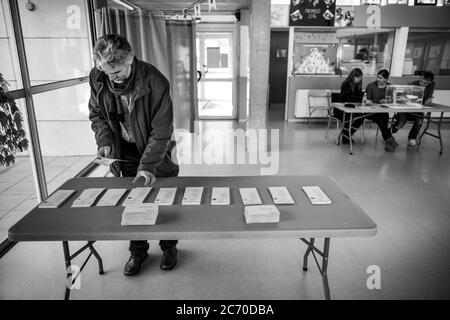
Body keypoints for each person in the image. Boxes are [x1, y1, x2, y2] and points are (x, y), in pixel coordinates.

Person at [88, 34, 180, 276]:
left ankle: (169, 246)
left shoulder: (156, 81)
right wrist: (105, 141)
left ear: (129, 59)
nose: (110, 77)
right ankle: (138, 250)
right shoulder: (98, 77)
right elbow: (97, 114)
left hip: (154, 150)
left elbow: (162, 131)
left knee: (163, 197)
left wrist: (148, 165)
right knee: (133, 201)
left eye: (115, 71)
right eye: (105, 71)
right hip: (123, 150)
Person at [336, 68, 398, 151]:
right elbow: (363, 99)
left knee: (383, 117)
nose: (359, 79)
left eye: (380, 78)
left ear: (386, 79)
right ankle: (389, 139)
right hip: (350, 109)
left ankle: (389, 140)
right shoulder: (369, 86)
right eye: (377, 77)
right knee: (361, 118)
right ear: (352, 76)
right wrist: (375, 101)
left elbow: (360, 98)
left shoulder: (389, 87)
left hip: (375, 110)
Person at [390, 71, 435, 146]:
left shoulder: (431, 85)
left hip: (417, 110)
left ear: (430, 82)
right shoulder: (412, 85)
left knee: (419, 121)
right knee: (401, 123)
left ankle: (412, 137)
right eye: (421, 81)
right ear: (419, 78)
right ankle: (394, 128)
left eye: (425, 83)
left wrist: (428, 100)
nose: (422, 84)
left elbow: (428, 97)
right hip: (405, 109)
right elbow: (402, 97)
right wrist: (405, 99)